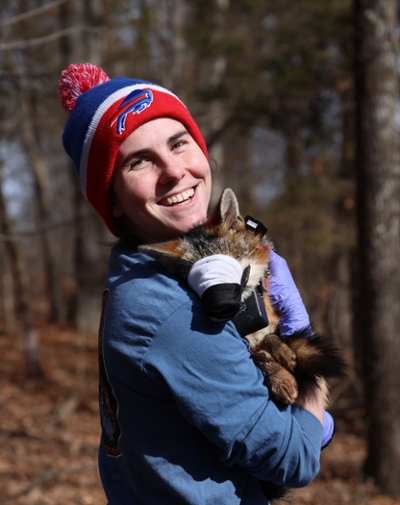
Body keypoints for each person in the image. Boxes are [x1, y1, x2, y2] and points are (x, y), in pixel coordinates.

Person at [59, 63, 334, 504]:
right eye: (140, 161)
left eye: (178, 143)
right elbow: (292, 457)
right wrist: (310, 379)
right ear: (111, 197)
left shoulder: (140, 270)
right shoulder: (168, 308)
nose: (173, 171)